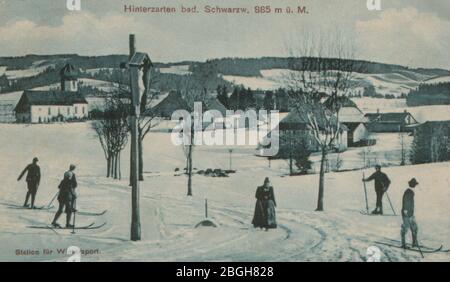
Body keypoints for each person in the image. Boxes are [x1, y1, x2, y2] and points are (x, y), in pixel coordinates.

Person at [401, 178, 419, 249]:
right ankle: (403, 244)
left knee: (415, 228)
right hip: (406, 213)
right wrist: (405, 210)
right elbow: (406, 201)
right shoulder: (408, 192)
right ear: (412, 185)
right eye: (414, 184)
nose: (415, 185)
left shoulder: (411, 191)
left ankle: (414, 243)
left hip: (411, 213)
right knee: (405, 228)